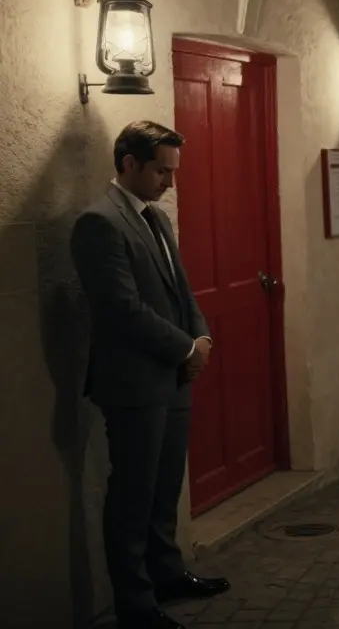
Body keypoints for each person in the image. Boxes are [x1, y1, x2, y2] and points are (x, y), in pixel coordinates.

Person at [71, 121, 230, 629]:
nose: (171, 182)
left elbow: (181, 289)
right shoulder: (99, 223)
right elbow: (121, 309)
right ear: (129, 164)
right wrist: (185, 347)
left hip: (173, 378)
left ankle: (167, 574)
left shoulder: (155, 217)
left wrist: (201, 337)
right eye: (162, 171)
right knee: (132, 497)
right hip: (134, 384)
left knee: (164, 489)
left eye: (173, 171)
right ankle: (136, 605)